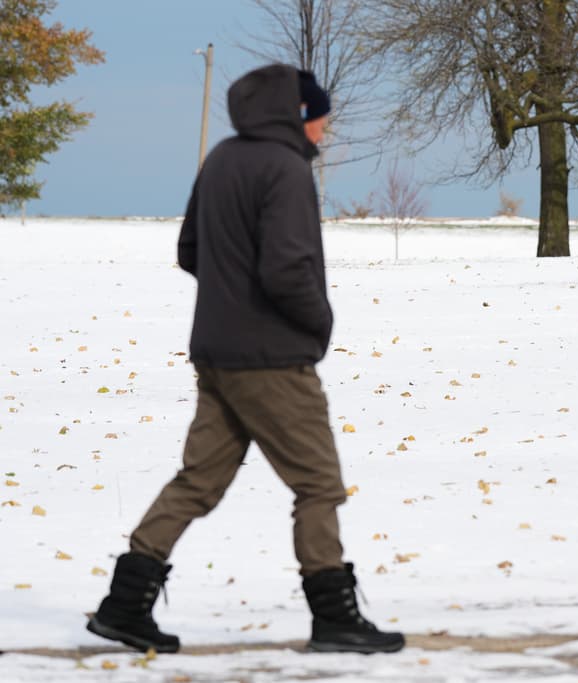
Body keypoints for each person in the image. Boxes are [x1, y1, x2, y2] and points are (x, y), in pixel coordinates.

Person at [86, 65, 404, 655]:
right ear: (300, 116)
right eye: (323, 121)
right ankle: (334, 617)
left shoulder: (223, 159)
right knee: (318, 485)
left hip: (217, 353)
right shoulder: (284, 170)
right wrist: (319, 322)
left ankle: (123, 606)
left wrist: (230, 299)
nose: (326, 133)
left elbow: (190, 251)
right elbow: (287, 270)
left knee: (198, 480)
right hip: (273, 360)